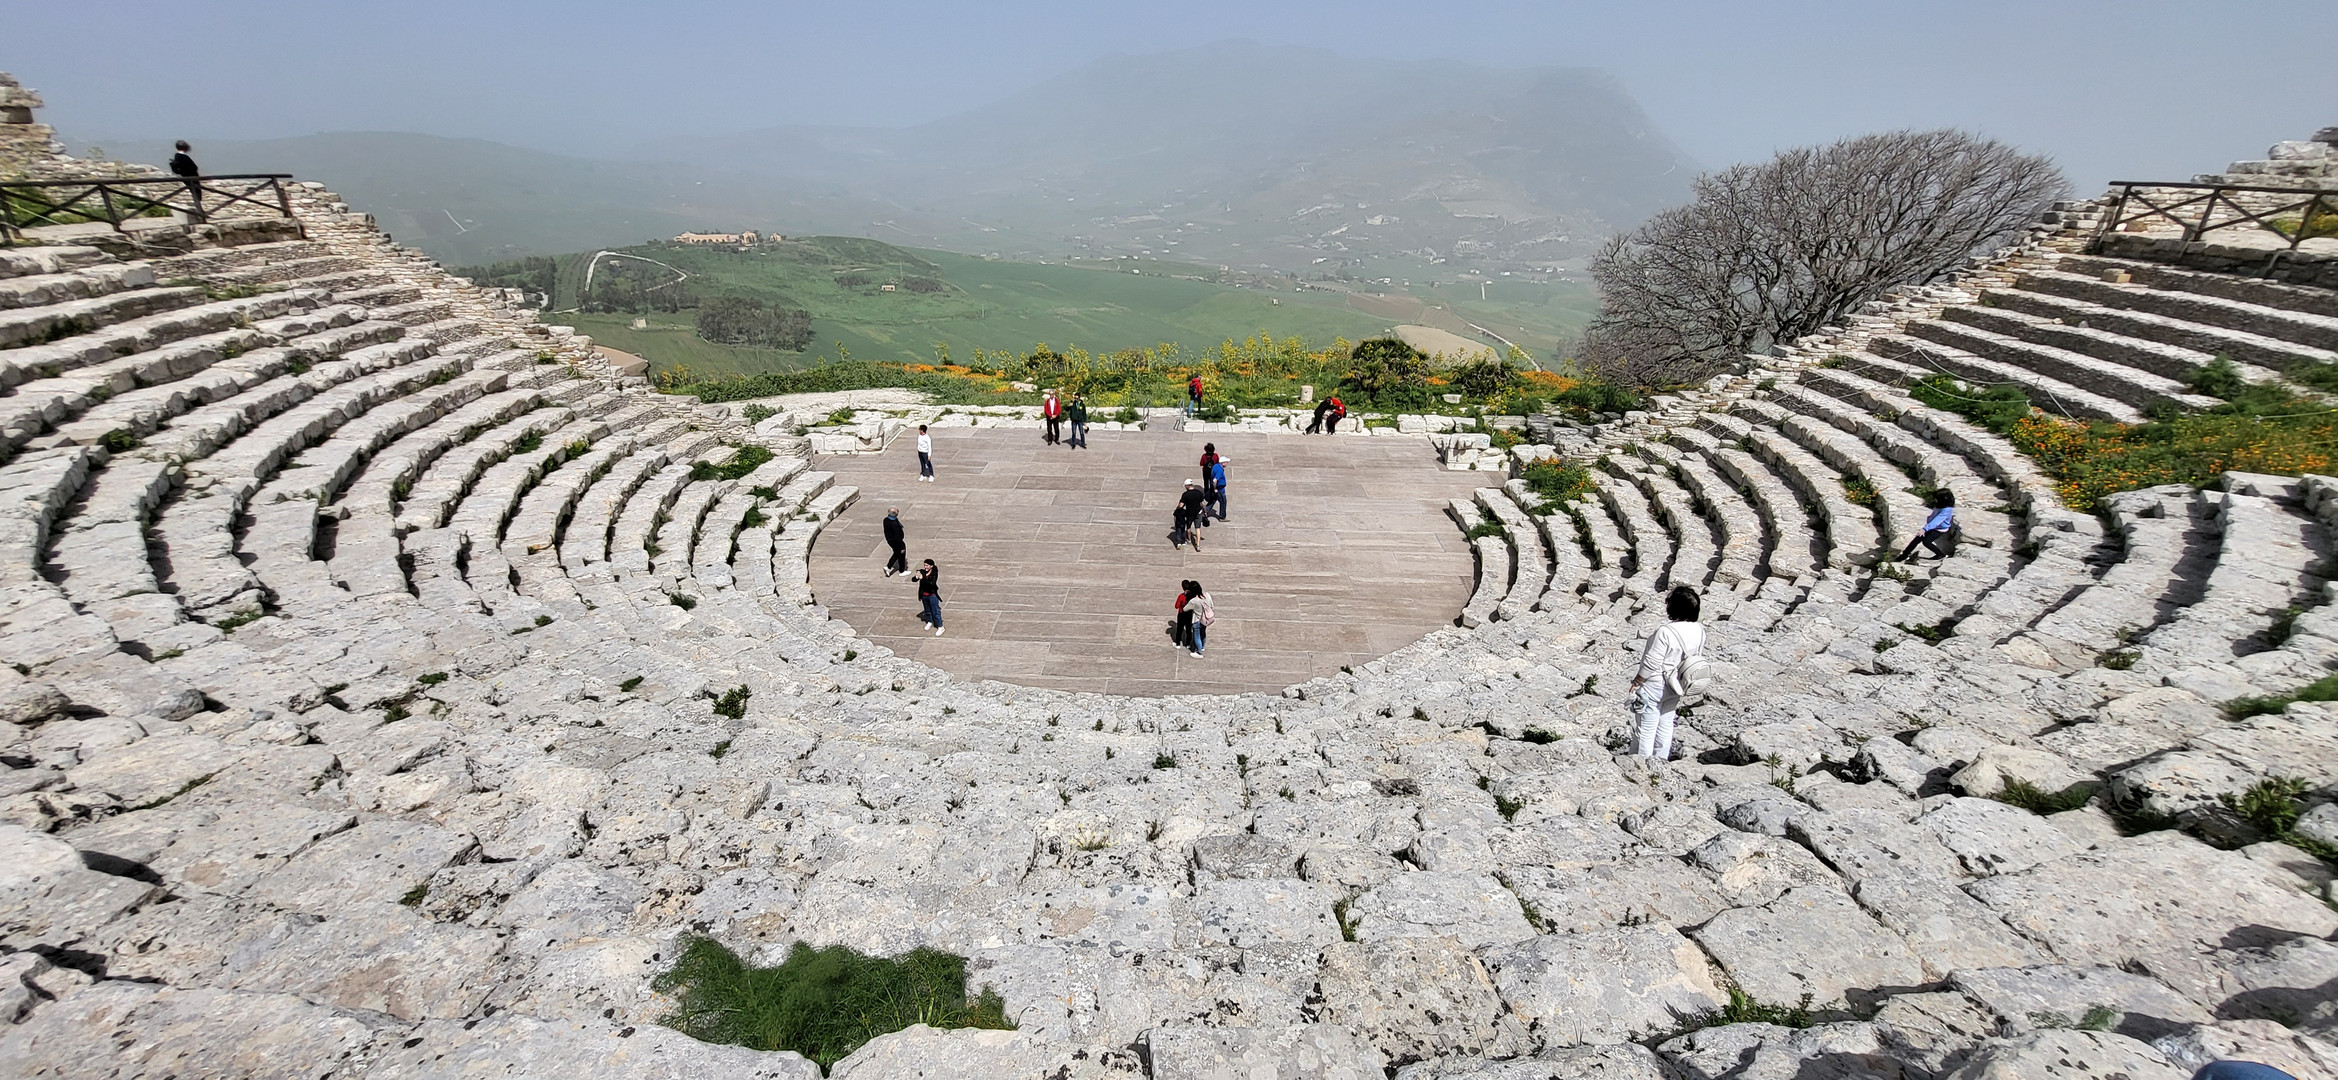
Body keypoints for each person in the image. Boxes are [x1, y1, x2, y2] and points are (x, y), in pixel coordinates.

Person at [1630, 586, 1707, 763]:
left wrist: (1638, 681)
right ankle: (1661, 762)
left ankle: (1642, 765)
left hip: (1655, 685)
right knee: (1665, 724)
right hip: (1676, 685)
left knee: (1646, 728)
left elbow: (1652, 661)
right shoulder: (1699, 630)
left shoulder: (1665, 632)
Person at [1898, 489, 1957, 561]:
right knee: (1917, 539)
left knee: (1926, 542)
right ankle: (1905, 554)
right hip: (1932, 527)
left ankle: (1940, 554)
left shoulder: (1946, 510)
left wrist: (1925, 529)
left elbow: (1937, 521)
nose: (1935, 500)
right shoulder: (1940, 505)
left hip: (1939, 529)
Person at [167, 140, 203, 220]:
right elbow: (193, 167)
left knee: (195, 192)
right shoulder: (183, 157)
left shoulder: (178, 156)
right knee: (196, 192)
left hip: (187, 177)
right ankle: (200, 212)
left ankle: (200, 211)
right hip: (191, 177)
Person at [1175, 479, 1207, 550]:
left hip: (1189, 513)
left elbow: (1181, 505)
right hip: (1198, 512)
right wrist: (1205, 512)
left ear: (1187, 486)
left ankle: (1189, 540)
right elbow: (1203, 504)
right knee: (1198, 528)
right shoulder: (1199, 493)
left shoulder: (1185, 494)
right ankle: (1198, 545)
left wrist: (1177, 508)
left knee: (1188, 527)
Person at [914, 559, 943, 635]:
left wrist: (923, 578)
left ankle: (940, 626)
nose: (925, 567)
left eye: (927, 565)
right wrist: (917, 577)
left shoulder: (934, 573)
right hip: (924, 595)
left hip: (932, 595)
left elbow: (932, 584)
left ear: (931, 566)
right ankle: (930, 621)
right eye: (924, 565)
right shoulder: (922, 572)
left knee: (935, 611)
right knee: (927, 610)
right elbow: (913, 580)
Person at [1186, 582, 1214, 658]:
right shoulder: (1207, 595)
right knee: (1203, 632)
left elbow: (1185, 609)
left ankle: (1199, 652)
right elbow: (1211, 605)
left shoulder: (1193, 601)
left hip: (1197, 620)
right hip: (1206, 619)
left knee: (1196, 635)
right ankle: (1202, 647)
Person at [881, 508, 908, 577]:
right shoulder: (895, 525)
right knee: (901, 554)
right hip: (896, 542)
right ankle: (902, 571)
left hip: (890, 540)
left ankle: (888, 567)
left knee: (896, 553)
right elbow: (898, 537)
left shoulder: (886, 520)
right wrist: (901, 547)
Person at [1173, 580, 1199, 651]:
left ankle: (1178, 643)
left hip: (1182, 614)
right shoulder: (1192, 596)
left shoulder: (1181, 596)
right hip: (1189, 614)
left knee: (1179, 629)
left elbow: (1176, 606)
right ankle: (1187, 643)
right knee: (1188, 629)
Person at [1205, 454, 1229, 521]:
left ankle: (1204, 512)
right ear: (1223, 463)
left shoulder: (1216, 466)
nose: (1227, 463)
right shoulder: (1220, 470)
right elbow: (1215, 480)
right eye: (1226, 462)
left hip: (1215, 488)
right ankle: (1222, 517)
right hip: (1220, 489)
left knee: (1212, 501)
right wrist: (1215, 488)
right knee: (1223, 502)